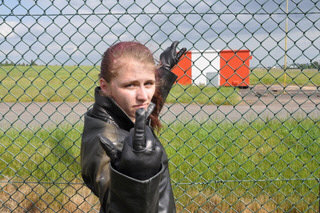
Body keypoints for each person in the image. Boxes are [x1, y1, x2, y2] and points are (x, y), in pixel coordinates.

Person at [80, 41, 186, 213]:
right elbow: (114, 201)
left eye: (149, 83)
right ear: (105, 86)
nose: (143, 96)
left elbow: (148, 107)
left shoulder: (125, 114)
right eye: (130, 85)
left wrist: (164, 69)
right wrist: (137, 178)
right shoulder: (105, 140)